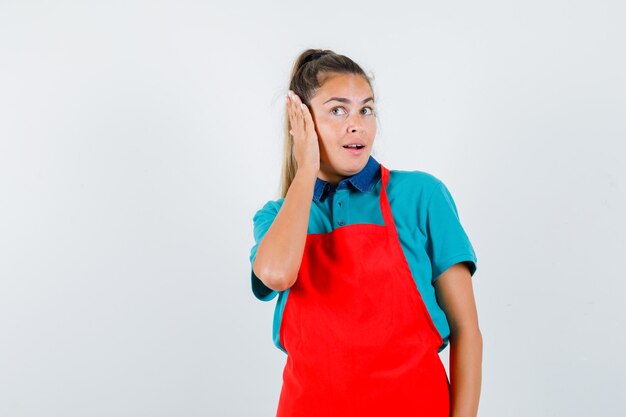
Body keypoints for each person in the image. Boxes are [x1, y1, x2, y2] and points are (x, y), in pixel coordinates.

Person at [249, 48, 482, 417]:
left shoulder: (421, 196)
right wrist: (306, 167)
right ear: (302, 122)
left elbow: (466, 329)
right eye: (338, 110)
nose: (356, 124)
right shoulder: (278, 217)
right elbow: (276, 273)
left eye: (366, 109)